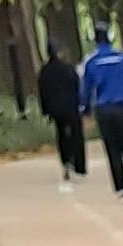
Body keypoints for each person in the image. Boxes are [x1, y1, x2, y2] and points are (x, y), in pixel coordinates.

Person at [81, 20, 123, 198]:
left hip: (104, 110)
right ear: (110, 37)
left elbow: (86, 90)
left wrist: (85, 112)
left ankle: (121, 188)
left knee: (113, 148)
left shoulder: (92, 62)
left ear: (95, 39)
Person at [36, 42, 88, 184]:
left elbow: (42, 92)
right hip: (72, 107)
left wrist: (45, 111)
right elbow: (77, 86)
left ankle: (66, 162)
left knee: (61, 135)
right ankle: (79, 166)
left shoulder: (45, 72)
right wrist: (82, 103)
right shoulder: (68, 69)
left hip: (56, 110)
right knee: (76, 135)